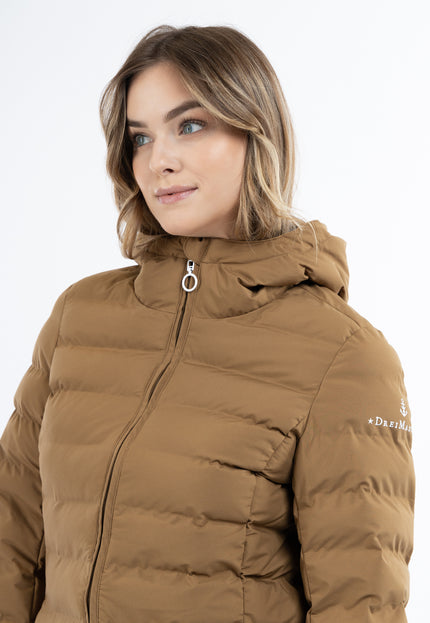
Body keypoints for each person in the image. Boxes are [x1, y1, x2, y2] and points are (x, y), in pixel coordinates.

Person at [0, 24, 415, 623]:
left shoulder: (344, 355)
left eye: (190, 126)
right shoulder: (79, 317)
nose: (159, 161)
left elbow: (358, 605)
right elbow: (13, 527)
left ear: (255, 131)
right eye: (140, 138)